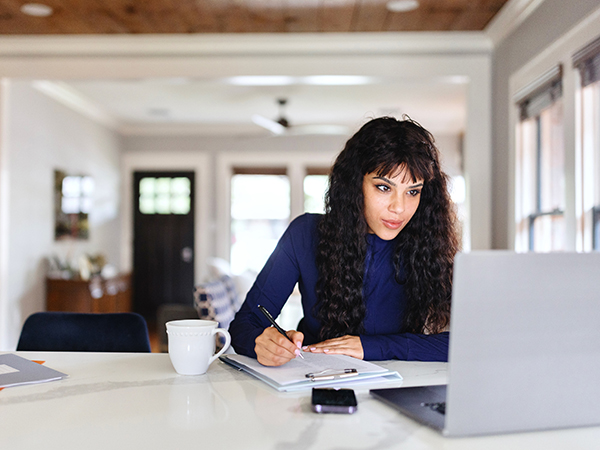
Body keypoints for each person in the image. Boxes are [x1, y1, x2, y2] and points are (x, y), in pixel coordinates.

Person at [229, 116, 460, 366]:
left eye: (413, 191)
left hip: (397, 385)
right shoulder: (305, 234)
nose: (399, 208)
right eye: (384, 188)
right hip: (314, 380)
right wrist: (263, 343)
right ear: (355, 184)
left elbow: (473, 341)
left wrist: (373, 346)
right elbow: (244, 326)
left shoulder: (428, 245)